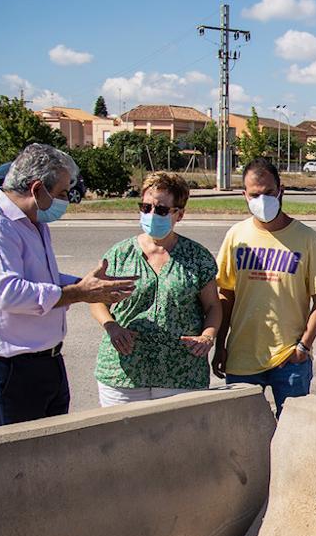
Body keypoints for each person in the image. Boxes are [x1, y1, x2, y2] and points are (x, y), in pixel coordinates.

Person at [0, 143, 136, 427]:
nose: (66, 200)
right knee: (20, 459)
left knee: (49, 452)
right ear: (37, 189)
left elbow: (41, 279)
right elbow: (9, 294)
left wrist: (86, 285)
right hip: (8, 366)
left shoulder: (33, 222)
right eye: (62, 193)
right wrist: (80, 293)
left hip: (44, 362)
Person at [213, 157, 316, 415]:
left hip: (289, 360)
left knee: (294, 436)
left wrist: (303, 347)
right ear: (244, 195)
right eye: (255, 194)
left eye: (269, 192)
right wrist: (220, 345)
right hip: (241, 359)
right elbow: (226, 295)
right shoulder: (236, 236)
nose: (262, 200)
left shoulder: (306, 238)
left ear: (281, 191)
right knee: (243, 435)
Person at [91, 172, 221, 406]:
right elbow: (97, 299)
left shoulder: (197, 256)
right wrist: (111, 327)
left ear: (179, 214)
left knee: (176, 441)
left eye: (161, 210)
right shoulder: (120, 254)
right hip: (123, 373)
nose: (151, 215)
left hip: (181, 373)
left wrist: (207, 336)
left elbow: (212, 306)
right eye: (145, 207)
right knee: (121, 440)